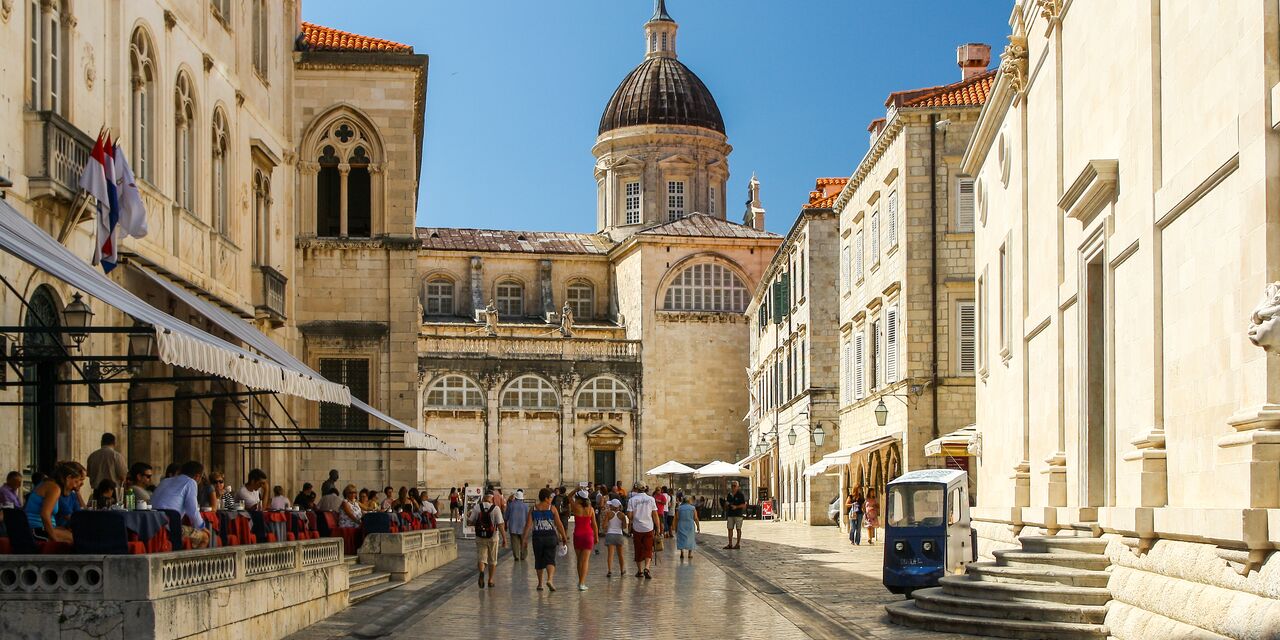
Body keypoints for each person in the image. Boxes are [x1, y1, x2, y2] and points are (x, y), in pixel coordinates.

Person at [150, 461, 211, 549]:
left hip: (153, 523)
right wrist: (202, 527)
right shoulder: (191, 482)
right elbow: (192, 511)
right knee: (204, 537)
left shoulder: (165, 481)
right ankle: (192, 562)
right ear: (197, 476)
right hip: (169, 526)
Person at [25, 461, 85, 543]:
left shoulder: (47, 483)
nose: (75, 486)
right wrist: (55, 539)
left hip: (34, 528)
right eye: (76, 481)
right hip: (36, 530)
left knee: (73, 533)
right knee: (79, 538)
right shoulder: (54, 488)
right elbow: (45, 514)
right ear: (68, 477)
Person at [526, 487, 567, 591]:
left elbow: (528, 526)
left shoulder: (533, 509)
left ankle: (540, 584)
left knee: (538, 560)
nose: (551, 499)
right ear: (545, 498)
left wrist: (524, 540)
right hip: (550, 536)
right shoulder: (552, 508)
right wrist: (564, 537)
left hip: (537, 537)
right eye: (550, 497)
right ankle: (549, 579)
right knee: (550, 559)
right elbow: (559, 524)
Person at [468, 490, 507, 589]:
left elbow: (470, 522)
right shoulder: (496, 508)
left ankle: (481, 572)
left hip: (480, 536)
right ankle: (490, 580)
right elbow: (500, 525)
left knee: (481, 558)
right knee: (493, 559)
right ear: (491, 498)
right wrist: (504, 539)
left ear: (483, 497)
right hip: (493, 536)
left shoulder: (477, 507)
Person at [627, 482, 659, 579]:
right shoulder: (651, 499)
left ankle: (640, 571)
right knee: (648, 548)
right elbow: (655, 515)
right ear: (645, 488)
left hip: (637, 528)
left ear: (636, 489)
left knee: (638, 549)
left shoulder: (632, 500)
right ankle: (647, 568)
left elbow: (629, 516)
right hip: (648, 527)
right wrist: (658, 528)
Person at [570, 489, 597, 591]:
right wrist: (596, 537)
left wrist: (576, 489)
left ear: (579, 499)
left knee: (579, 560)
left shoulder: (576, 507)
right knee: (585, 560)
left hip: (578, 535)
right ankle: (582, 583)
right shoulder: (591, 509)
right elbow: (594, 524)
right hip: (588, 535)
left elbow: (569, 497)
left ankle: (580, 581)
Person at [602, 498, 628, 577]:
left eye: (610, 505)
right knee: (620, 555)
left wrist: (605, 529)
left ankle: (610, 570)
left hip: (610, 534)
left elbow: (604, 525)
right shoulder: (622, 515)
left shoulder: (608, 514)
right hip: (619, 535)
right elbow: (624, 526)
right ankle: (622, 570)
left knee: (610, 555)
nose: (609, 506)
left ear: (613, 506)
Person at [506, 489, 529, 562]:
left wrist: (505, 523)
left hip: (513, 527)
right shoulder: (525, 506)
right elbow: (528, 517)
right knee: (524, 541)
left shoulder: (511, 505)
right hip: (523, 526)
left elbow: (506, 516)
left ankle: (516, 556)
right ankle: (523, 555)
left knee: (514, 542)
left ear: (515, 497)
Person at [673, 494, 700, 560]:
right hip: (690, 525)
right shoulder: (692, 508)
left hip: (681, 524)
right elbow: (696, 518)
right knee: (690, 538)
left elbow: (676, 518)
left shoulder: (679, 508)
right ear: (689, 501)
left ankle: (682, 552)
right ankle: (689, 554)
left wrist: (675, 527)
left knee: (681, 538)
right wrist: (698, 526)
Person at [723, 480, 747, 550]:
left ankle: (738, 544)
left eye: (734, 486)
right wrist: (726, 504)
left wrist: (736, 507)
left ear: (737, 487)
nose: (733, 487)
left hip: (738, 514)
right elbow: (727, 503)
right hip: (730, 514)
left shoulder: (740, 495)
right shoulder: (729, 495)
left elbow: (744, 505)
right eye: (732, 486)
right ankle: (730, 544)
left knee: (738, 529)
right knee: (730, 529)